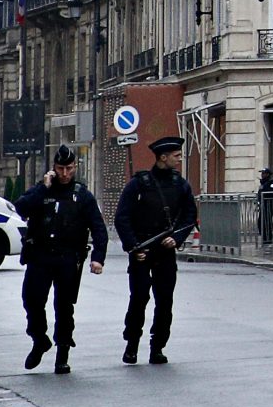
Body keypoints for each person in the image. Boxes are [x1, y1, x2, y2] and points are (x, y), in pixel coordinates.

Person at [13, 146, 105, 374]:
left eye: (69, 168)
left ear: (75, 168)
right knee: (32, 301)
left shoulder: (81, 195)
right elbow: (21, 207)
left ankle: (62, 353)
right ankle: (39, 339)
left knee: (64, 306)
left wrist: (98, 259)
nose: (65, 173)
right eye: (61, 168)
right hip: (40, 255)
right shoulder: (42, 190)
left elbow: (98, 228)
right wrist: (43, 188)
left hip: (67, 257)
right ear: (53, 168)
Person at [114, 136, 198, 365]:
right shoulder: (138, 184)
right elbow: (122, 217)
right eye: (176, 156)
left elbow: (190, 215)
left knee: (165, 301)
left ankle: (157, 346)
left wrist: (177, 238)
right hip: (142, 250)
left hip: (165, 251)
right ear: (163, 157)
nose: (179, 159)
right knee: (139, 298)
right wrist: (132, 246)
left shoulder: (180, 184)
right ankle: (131, 344)